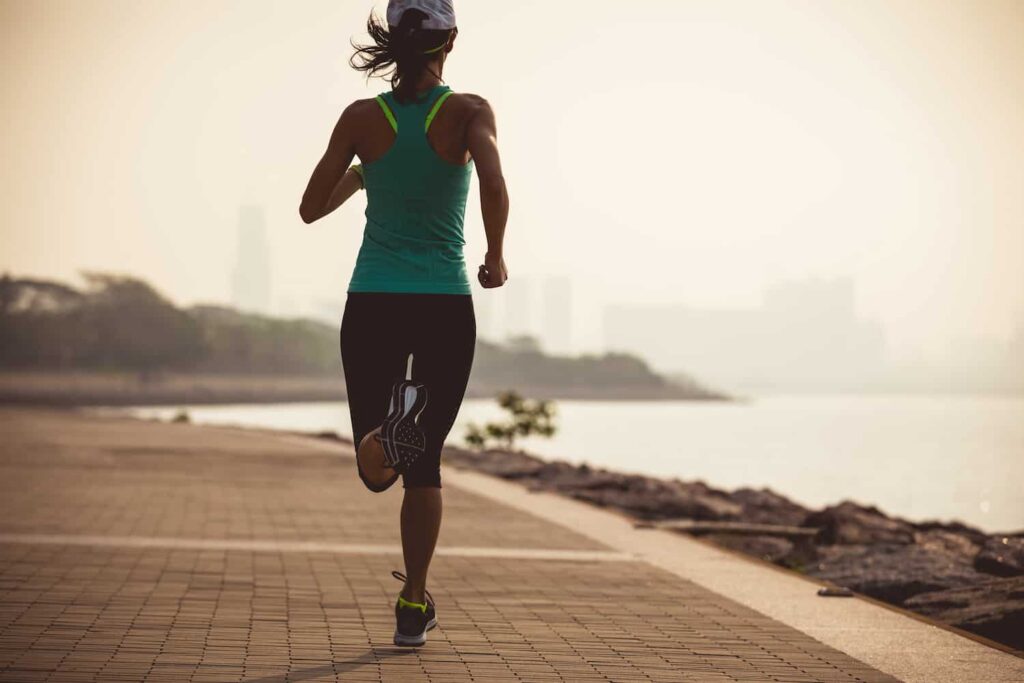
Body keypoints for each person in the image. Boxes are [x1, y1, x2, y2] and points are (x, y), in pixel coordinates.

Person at [298, 0, 509, 647]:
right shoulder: (469, 111)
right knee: (426, 465)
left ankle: (384, 442)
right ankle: (412, 603)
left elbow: (309, 208)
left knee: (377, 467)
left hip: (373, 303)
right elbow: (495, 183)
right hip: (443, 304)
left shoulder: (363, 118)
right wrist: (495, 256)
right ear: (451, 41)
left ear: (391, 41)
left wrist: (364, 174)